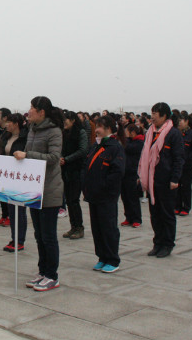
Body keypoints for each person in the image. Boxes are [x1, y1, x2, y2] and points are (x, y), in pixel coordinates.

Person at [16, 96, 64, 291]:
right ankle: (43, 271)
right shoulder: (32, 129)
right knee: (39, 235)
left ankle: (52, 275)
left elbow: (53, 157)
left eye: (32, 108)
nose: (29, 111)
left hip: (49, 189)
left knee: (48, 236)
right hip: (33, 189)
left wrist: (27, 155)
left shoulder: (54, 131)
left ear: (41, 111)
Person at [138, 102, 184, 258]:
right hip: (152, 181)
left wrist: (175, 178)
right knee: (155, 214)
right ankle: (157, 243)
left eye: (155, 114)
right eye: (151, 114)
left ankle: (167, 244)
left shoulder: (173, 134)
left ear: (164, 116)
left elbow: (178, 158)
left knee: (167, 214)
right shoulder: (150, 132)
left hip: (166, 180)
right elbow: (144, 156)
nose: (152, 117)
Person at [83, 115, 126, 274]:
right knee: (97, 228)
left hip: (106, 196)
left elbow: (117, 172)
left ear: (108, 128)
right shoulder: (96, 145)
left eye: (99, 127)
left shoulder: (115, 147)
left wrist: (104, 187)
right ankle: (102, 256)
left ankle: (112, 259)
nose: (97, 130)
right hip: (93, 194)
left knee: (108, 228)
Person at [0, 113, 29, 252]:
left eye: (9, 122)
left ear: (16, 124)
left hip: (19, 177)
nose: (6, 125)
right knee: (11, 209)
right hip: (8, 175)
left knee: (19, 209)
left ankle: (19, 240)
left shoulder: (25, 137)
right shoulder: (6, 136)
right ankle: (14, 238)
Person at [60, 110, 89, 239]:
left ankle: (79, 227)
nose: (64, 122)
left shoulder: (81, 132)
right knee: (69, 200)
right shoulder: (64, 133)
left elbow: (83, 150)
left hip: (77, 169)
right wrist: (61, 158)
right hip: (66, 170)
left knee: (74, 200)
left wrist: (67, 159)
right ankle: (73, 226)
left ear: (72, 120)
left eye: (66, 120)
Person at [177, 114, 192, 216]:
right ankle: (177, 206)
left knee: (186, 186)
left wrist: (188, 158)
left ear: (187, 121)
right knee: (177, 186)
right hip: (177, 164)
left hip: (187, 165)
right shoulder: (176, 133)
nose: (179, 123)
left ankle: (186, 207)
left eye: (181, 120)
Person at [121, 124, 144, 227]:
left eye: (127, 132)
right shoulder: (129, 141)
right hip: (124, 173)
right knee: (125, 196)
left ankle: (136, 218)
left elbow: (127, 148)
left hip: (133, 173)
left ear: (133, 132)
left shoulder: (139, 143)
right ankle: (128, 217)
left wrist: (123, 141)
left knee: (132, 197)